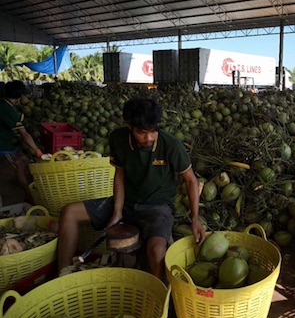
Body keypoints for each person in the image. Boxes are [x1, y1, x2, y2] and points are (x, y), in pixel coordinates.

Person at [58, 98, 206, 279]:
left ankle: (157, 292)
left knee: (157, 250)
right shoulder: (118, 138)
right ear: (130, 126)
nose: (149, 138)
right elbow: (119, 175)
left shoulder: (171, 145)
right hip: (126, 201)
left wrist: (195, 218)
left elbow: (191, 181)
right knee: (69, 212)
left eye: (153, 131)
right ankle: (62, 275)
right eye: (142, 133)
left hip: (157, 207)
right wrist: (117, 211)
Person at [0, 81, 43, 206]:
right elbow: (25, 135)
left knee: (22, 159)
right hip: (3, 148)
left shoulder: (3, 103)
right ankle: (27, 198)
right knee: (20, 171)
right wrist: (37, 151)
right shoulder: (9, 110)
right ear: (20, 96)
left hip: (9, 146)